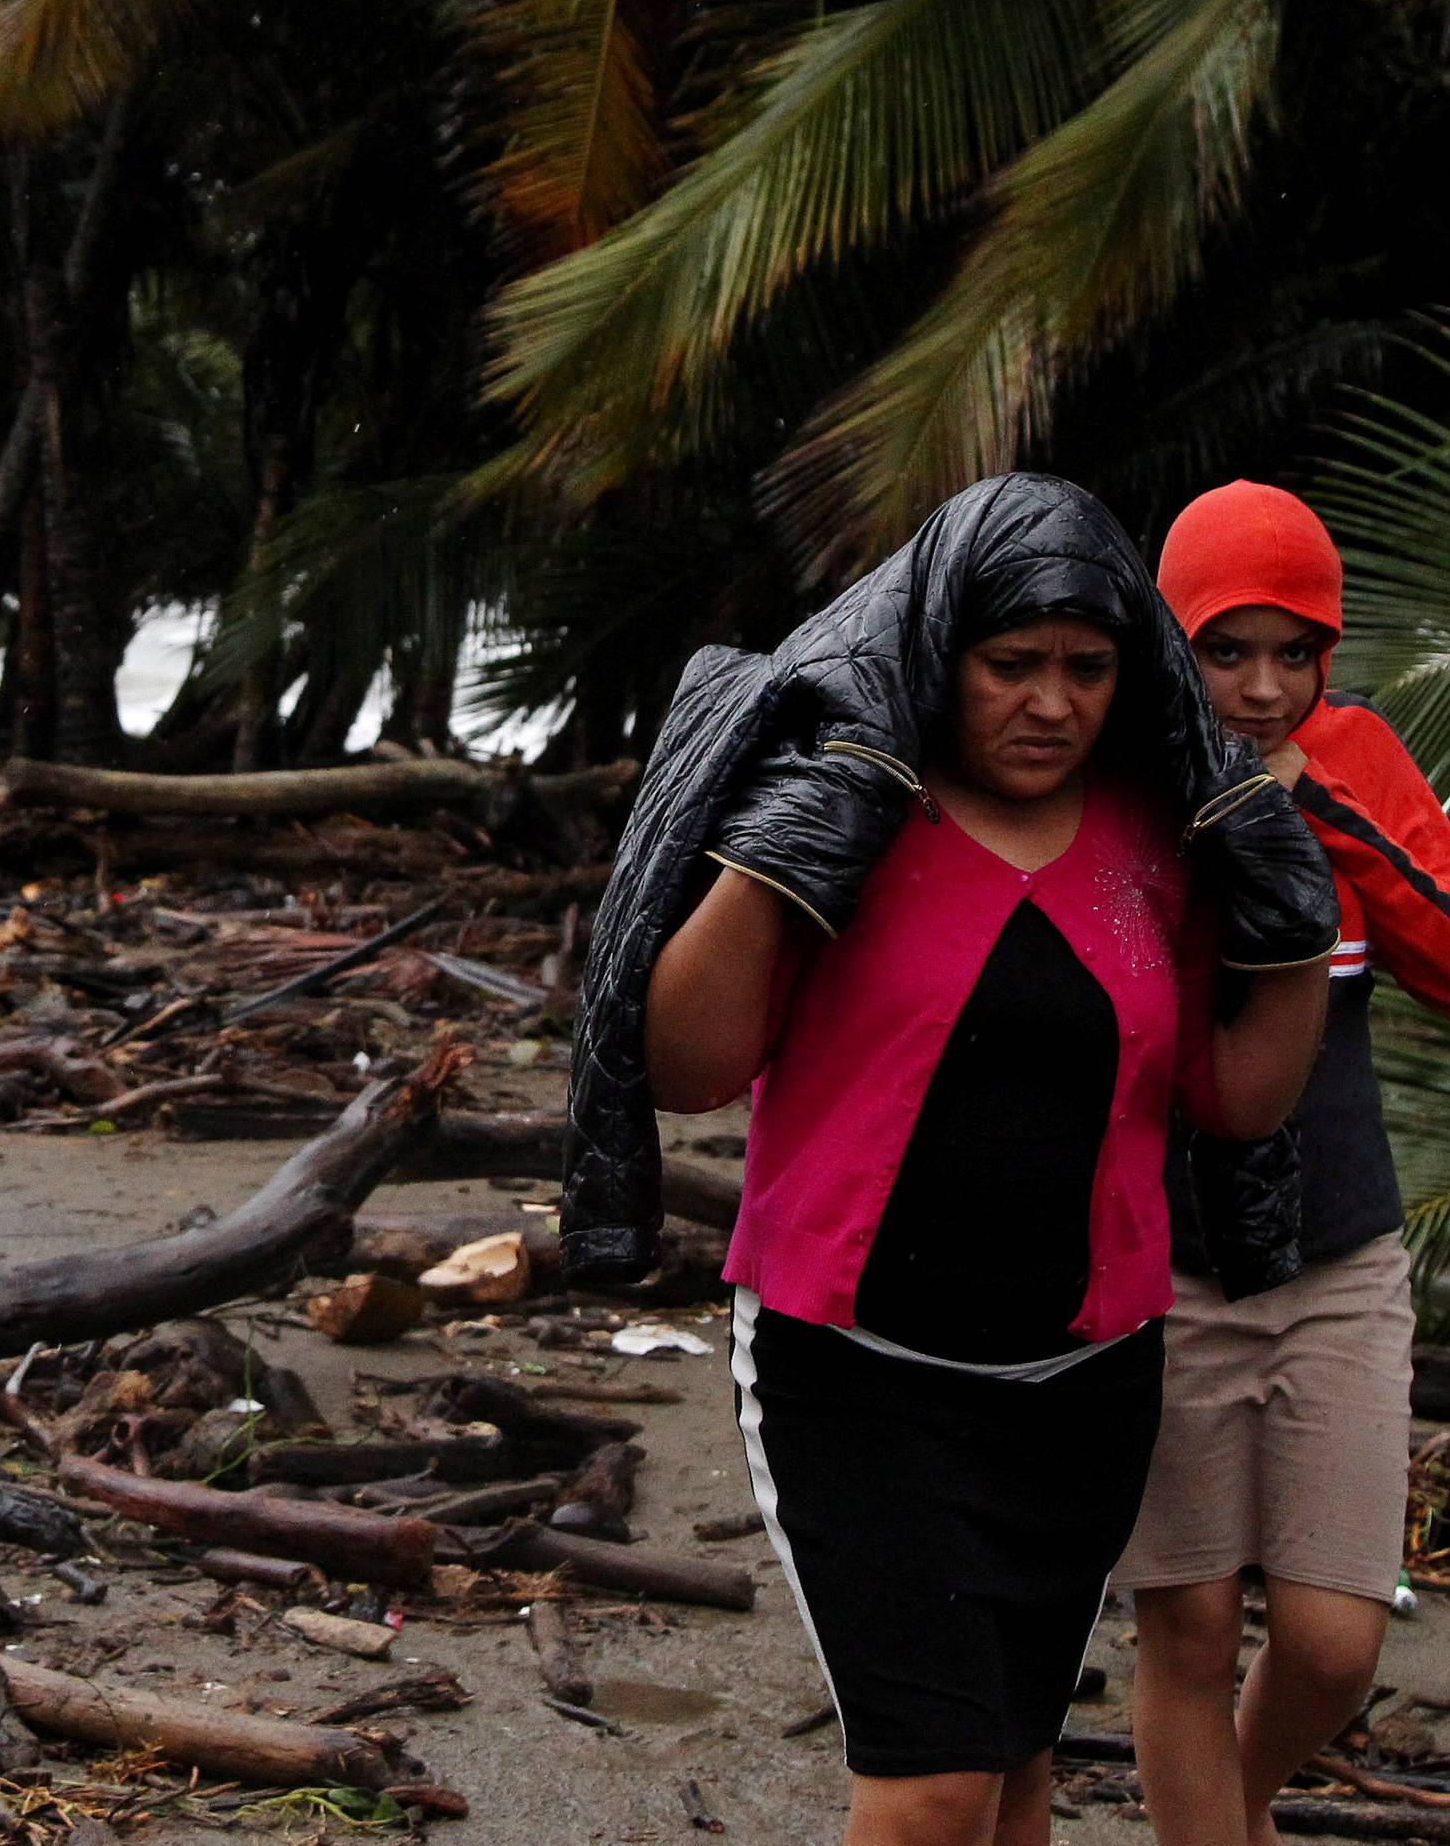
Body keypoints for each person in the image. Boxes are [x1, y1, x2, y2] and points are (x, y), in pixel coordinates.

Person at [564, 474, 1340, 1846]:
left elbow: (1235, 1099)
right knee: (931, 1794)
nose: (1051, 701)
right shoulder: (858, 805)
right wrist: (776, 848)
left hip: (1087, 1386)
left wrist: (1295, 928)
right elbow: (683, 1070)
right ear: (941, 653)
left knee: (1021, 1777)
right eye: (1012, 664)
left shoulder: (1158, 832)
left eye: (1087, 667)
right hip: (854, 1374)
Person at [1116, 480, 1450, 1846]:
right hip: (1161, 1263)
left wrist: (1323, 817)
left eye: (1297, 649)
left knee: (1339, 1639)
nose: (1266, 684)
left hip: (1342, 1251)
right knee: (1191, 1618)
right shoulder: (1121, 774)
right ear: (1174, 643)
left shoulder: (1359, 754)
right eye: (1227, 649)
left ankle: (1239, 1803)